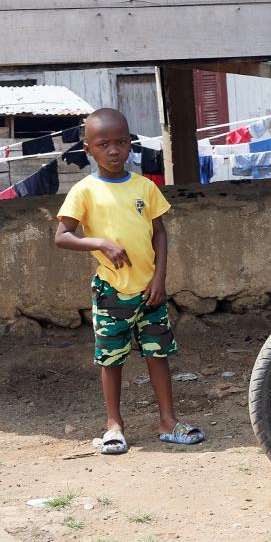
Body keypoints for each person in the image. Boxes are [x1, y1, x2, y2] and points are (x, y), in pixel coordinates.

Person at [54, 108, 204, 455]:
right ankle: (114, 425)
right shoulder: (84, 191)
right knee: (111, 359)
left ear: (130, 143)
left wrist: (159, 277)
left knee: (158, 355)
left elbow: (160, 233)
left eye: (120, 142)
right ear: (88, 149)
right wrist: (98, 242)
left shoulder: (145, 187)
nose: (113, 150)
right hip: (111, 292)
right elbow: (62, 236)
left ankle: (168, 422)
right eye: (103, 144)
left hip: (149, 290)